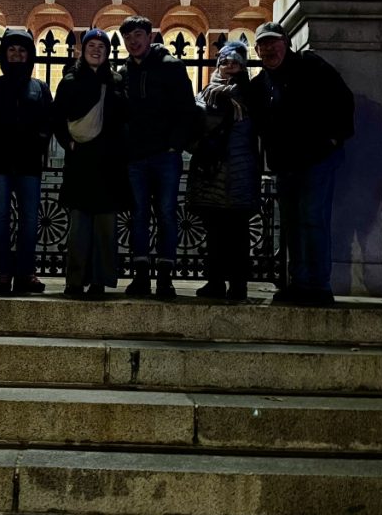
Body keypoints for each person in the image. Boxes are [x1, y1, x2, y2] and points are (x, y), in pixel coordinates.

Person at [250, 21, 354, 306]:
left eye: (274, 42)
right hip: (286, 164)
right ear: (257, 50)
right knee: (293, 224)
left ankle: (318, 285)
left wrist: (334, 139)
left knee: (312, 219)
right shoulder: (260, 85)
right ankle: (299, 282)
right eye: (263, 44)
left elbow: (343, 100)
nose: (269, 49)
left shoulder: (310, 67)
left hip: (316, 159)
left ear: (286, 43)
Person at [118, 15, 195, 299]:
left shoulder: (171, 67)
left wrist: (175, 145)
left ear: (150, 36)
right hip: (136, 157)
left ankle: (165, 278)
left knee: (165, 214)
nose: (133, 41)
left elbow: (186, 109)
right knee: (138, 216)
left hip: (165, 156)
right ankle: (140, 277)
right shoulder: (124, 72)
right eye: (127, 37)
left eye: (138, 34)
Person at [54, 28, 130, 298]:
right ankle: (75, 280)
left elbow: (124, 119)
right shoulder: (70, 81)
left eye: (101, 46)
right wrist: (69, 143)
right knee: (79, 229)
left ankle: (99, 281)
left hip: (109, 166)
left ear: (108, 52)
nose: (96, 50)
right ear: (82, 50)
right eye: (91, 45)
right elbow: (57, 118)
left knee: (105, 230)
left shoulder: (117, 81)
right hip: (81, 165)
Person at [0, 29, 54, 295]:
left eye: (22, 50)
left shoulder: (39, 87)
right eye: (12, 50)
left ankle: (25, 273)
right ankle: (3, 273)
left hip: (28, 163)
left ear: (29, 55)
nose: (17, 54)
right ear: (4, 53)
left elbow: (49, 121)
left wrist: (38, 141)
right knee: (0, 218)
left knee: (29, 219)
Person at [186, 41, 261, 301]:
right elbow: (192, 130)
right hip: (211, 174)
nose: (230, 67)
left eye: (236, 63)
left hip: (239, 173)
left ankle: (238, 285)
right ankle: (215, 282)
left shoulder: (251, 95)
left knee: (239, 234)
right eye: (225, 62)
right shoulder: (206, 94)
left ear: (243, 66)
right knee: (215, 233)